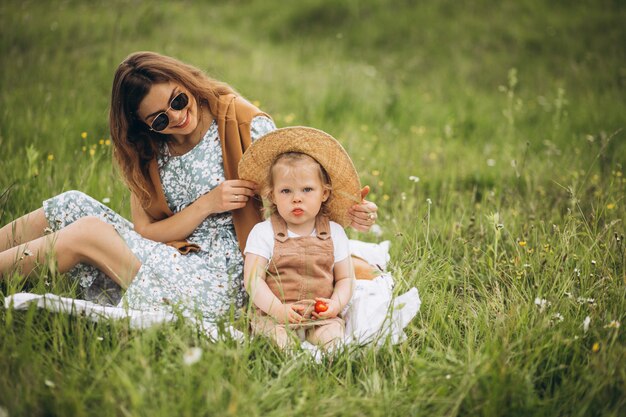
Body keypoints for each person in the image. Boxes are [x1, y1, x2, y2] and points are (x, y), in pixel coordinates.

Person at [0, 51, 378, 322]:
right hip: (172, 254)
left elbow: (298, 189)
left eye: (178, 100)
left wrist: (348, 211)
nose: (178, 117)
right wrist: (207, 204)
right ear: (144, 125)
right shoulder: (147, 150)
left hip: (226, 275)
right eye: (160, 119)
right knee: (70, 204)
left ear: (186, 82)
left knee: (88, 232)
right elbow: (147, 231)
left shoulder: (241, 123)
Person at [240, 127, 359, 349]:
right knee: (278, 342)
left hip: (320, 316)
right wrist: (277, 310)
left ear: (324, 193)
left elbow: (345, 278)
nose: (297, 199)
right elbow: (252, 280)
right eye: (286, 191)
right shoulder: (263, 232)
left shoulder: (335, 233)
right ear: (272, 196)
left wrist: (336, 304)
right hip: (274, 315)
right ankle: (288, 358)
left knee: (333, 338)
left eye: (307, 189)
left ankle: (328, 363)